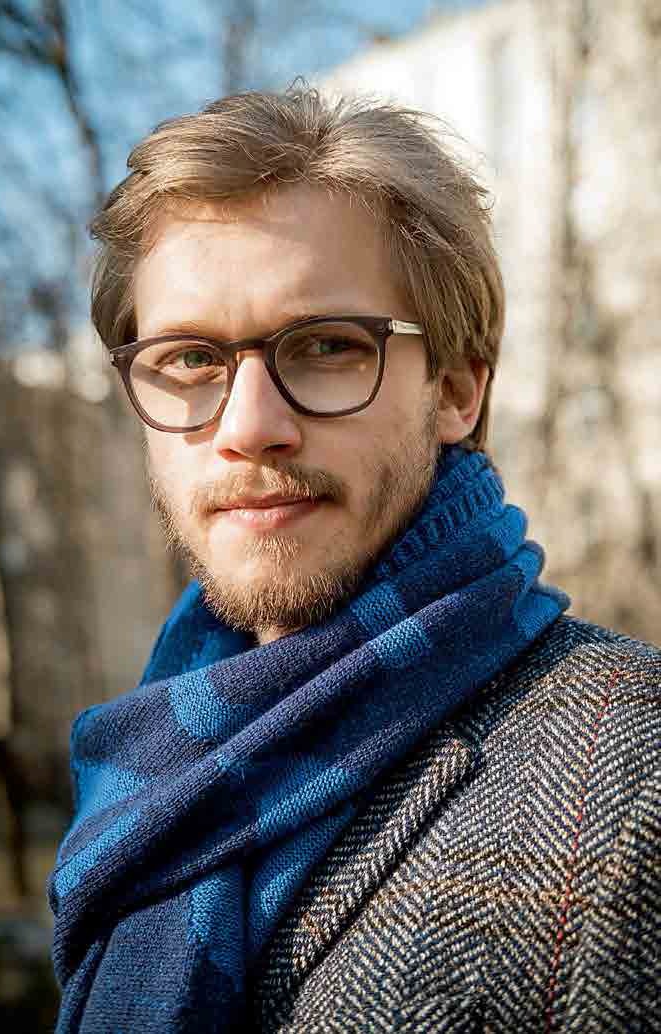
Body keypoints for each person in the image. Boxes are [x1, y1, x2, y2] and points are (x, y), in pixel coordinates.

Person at [49, 86, 660, 1033]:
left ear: (454, 392)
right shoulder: (148, 772)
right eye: (190, 360)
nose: (249, 426)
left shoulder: (632, 769)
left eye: (327, 346)